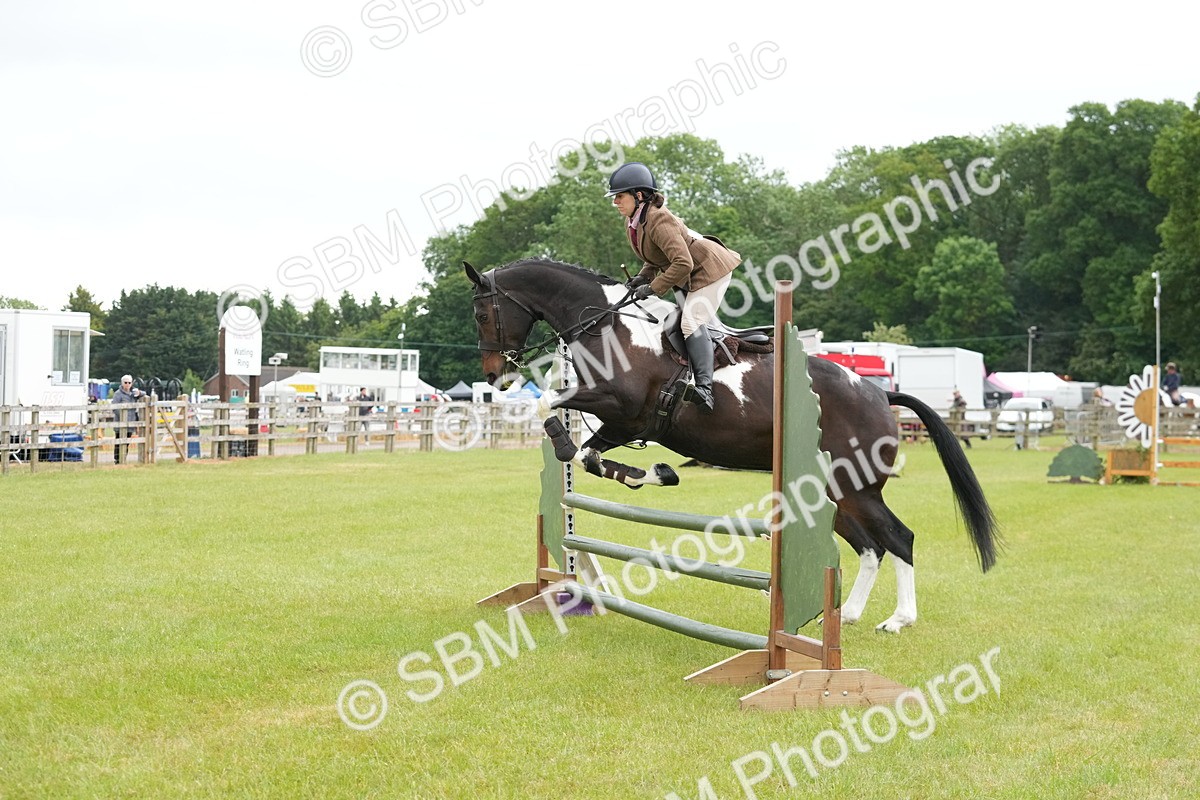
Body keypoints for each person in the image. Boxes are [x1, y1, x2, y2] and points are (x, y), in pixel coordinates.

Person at [607, 161, 741, 412]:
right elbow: (657, 257)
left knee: (690, 322)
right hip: (687, 274)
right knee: (672, 322)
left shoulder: (659, 220)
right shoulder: (634, 221)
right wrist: (643, 277)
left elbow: (682, 262)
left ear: (638, 195)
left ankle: (704, 388)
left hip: (710, 270)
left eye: (620, 196)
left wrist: (653, 288)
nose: (615, 202)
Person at [110, 375, 144, 464]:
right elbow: (114, 407)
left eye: (129, 382)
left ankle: (123, 458)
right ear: (122, 383)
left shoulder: (133, 393)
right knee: (119, 441)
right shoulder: (118, 394)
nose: (127, 384)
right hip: (120, 422)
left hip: (131, 422)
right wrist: (122, 417)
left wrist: (139, 393)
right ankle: (117, 460)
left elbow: (145, 394)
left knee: (127, 442)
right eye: (126, 382)